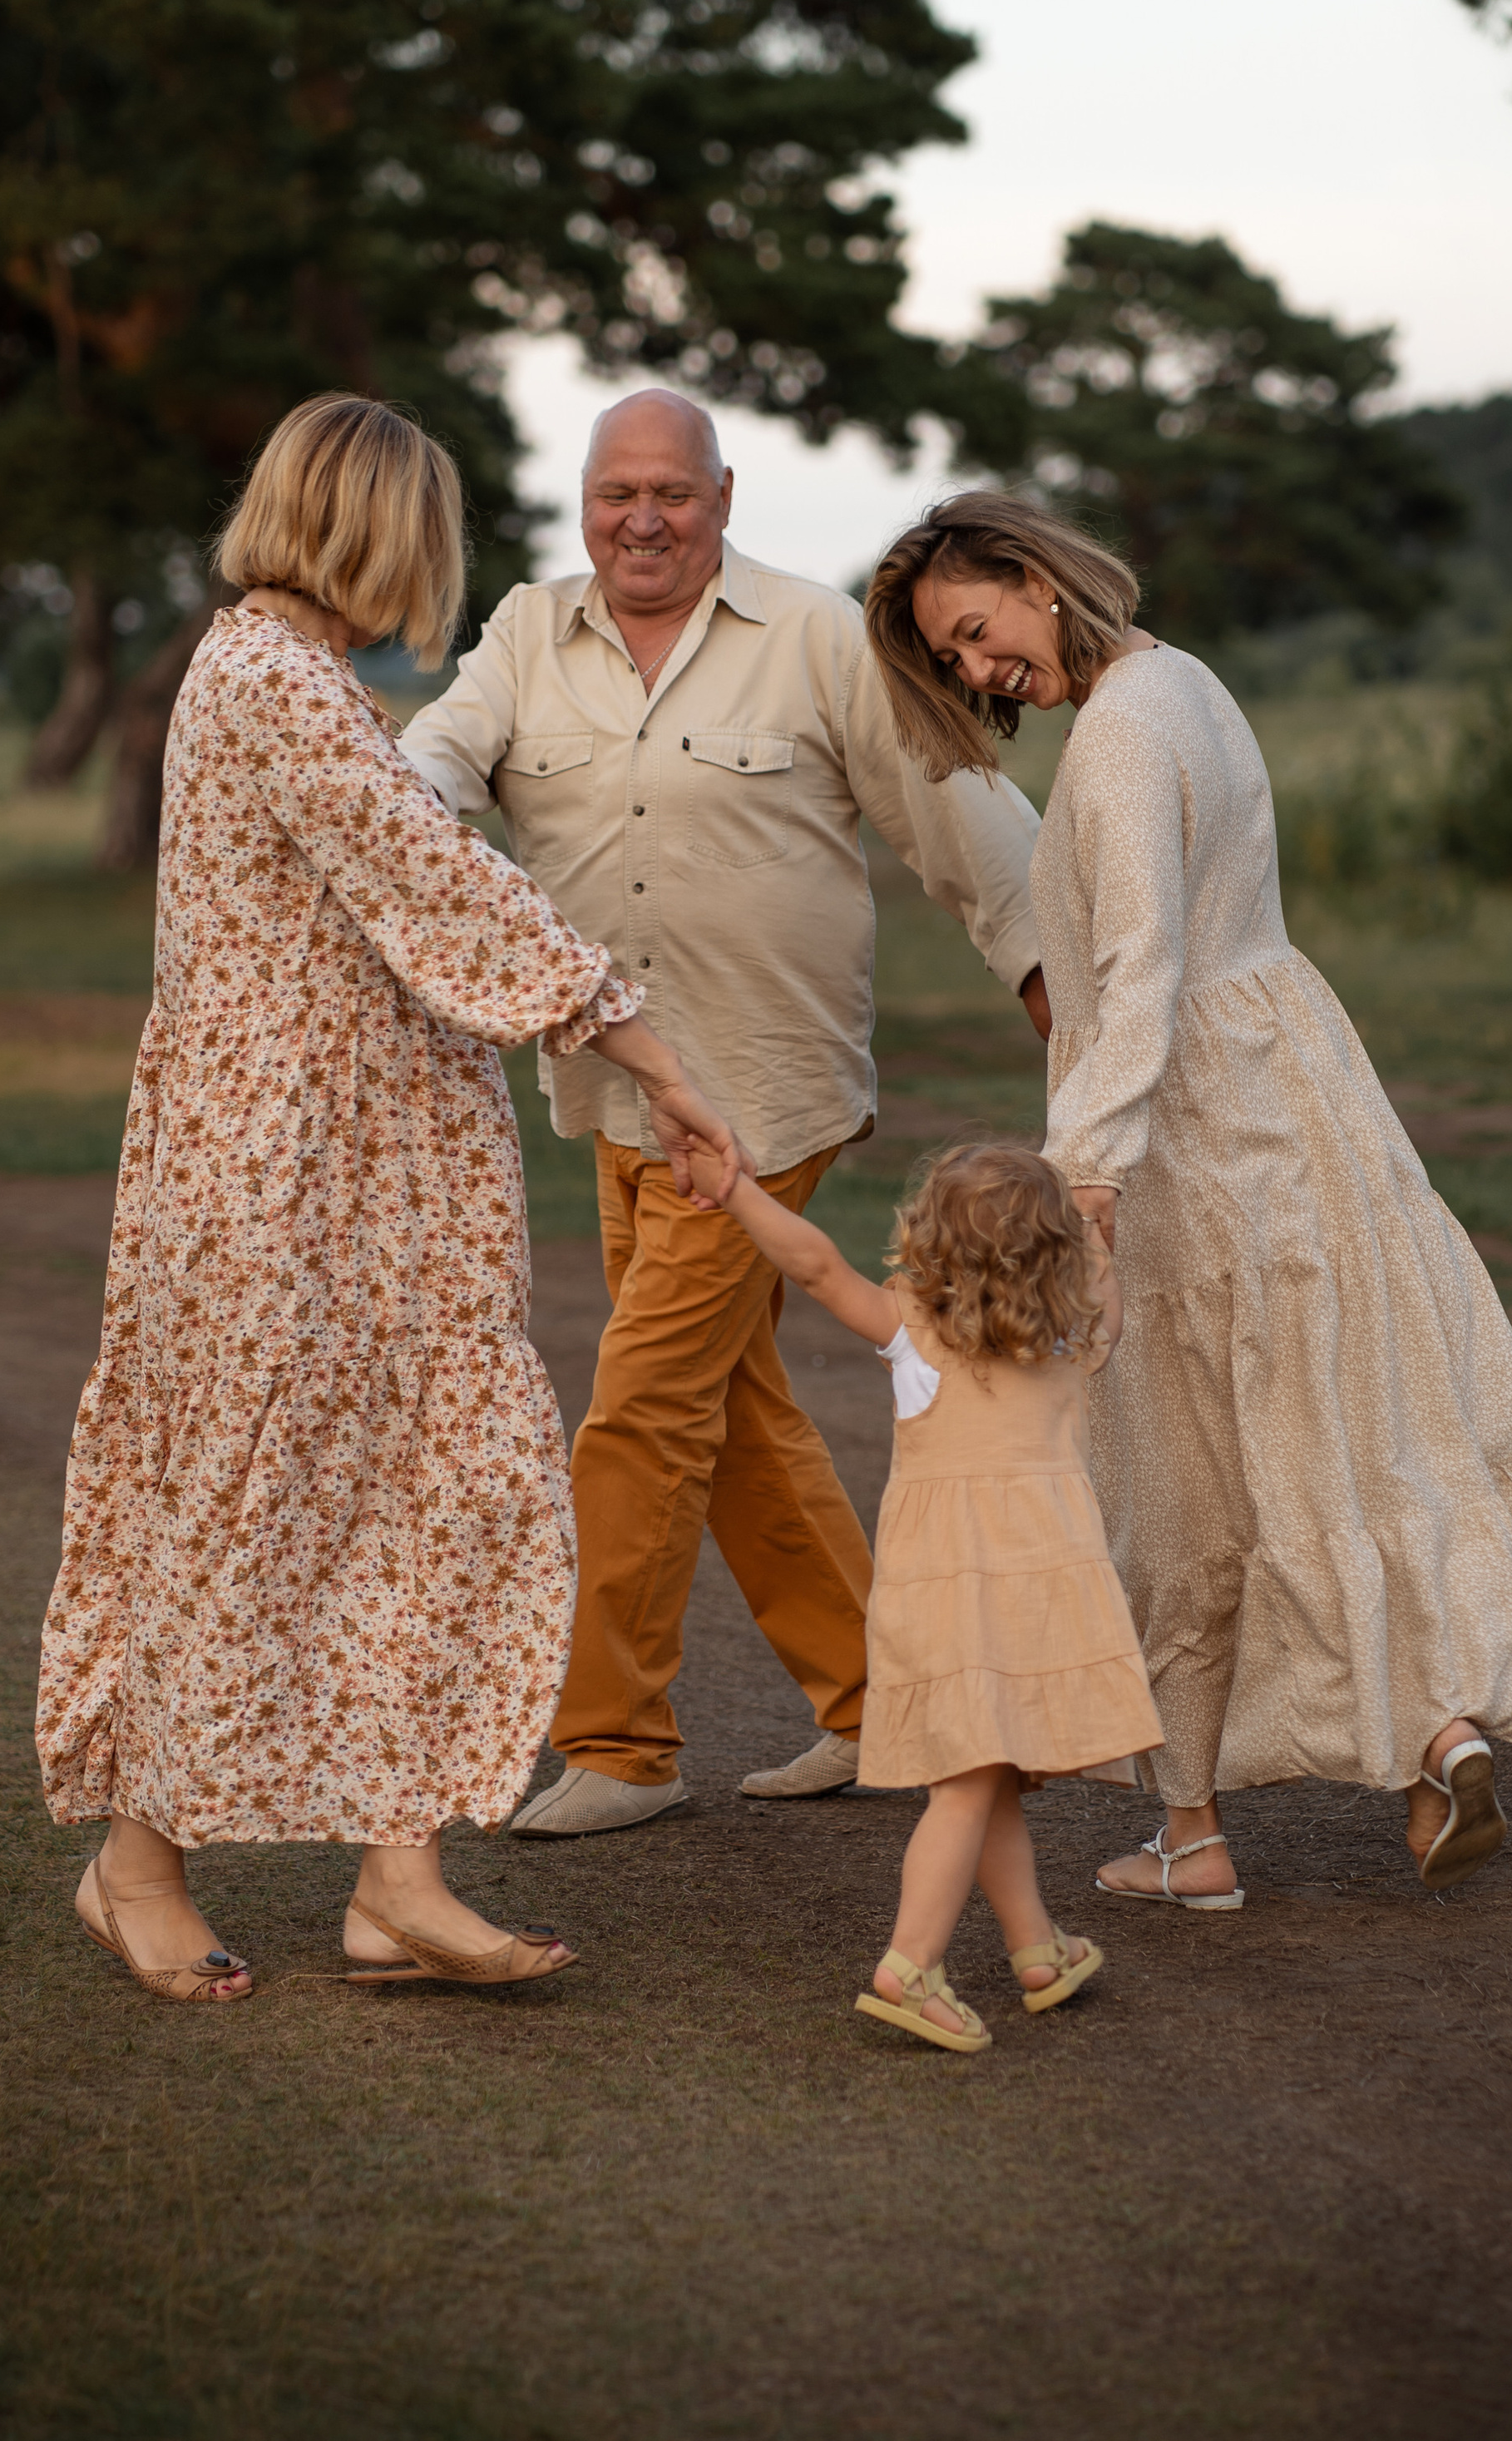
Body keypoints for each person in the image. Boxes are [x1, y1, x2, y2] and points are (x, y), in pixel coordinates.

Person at [33, 394, 742, 2001]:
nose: (439, 563)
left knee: (446, 1486)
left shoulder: (311, 679)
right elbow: (448, 888)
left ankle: (399, 1874)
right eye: (428, 533)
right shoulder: (269, 683)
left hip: (379, 1183)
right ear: (374, 529)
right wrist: (656, 1058)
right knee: (242, 1495)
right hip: (273, 1179)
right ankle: (135, 1861)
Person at [865, 491, 1512, 1907]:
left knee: (1180, 1472)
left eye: (976, 633)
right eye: (953, 661)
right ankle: (1436, 1739)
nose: (980, 675)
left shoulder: (1109, 745)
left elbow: (1143, 974)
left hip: (1188, 1138)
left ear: (1038, 580)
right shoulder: (1186, 681)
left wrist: (1087, 1187)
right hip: (1296, 1087)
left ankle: (1197, 1836)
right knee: (1335, 1436)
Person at [397, 392, 1049, 1835]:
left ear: (723, 494)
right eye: (616, 491)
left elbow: (961, 819)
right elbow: (436, 763)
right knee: (738, 1411)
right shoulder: (525, 634)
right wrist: (394, 820)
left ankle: (620, 1745)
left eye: (673, 494)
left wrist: (1067, 987)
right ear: (584, 499)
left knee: (639, 1411)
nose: (643, 518)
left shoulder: (816, 636)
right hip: (616, 1092)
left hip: (763, 1098)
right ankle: (890, 1712)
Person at [688, 1134, 1162, 2048]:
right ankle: (909, 1966)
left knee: (980, 1779)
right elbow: (1104, 1297)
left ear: (929, 1240)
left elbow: (814, 1263)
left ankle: (1036, 1950)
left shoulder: (910, 1327)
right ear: (1056, 1251)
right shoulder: (1068, 1341)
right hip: (1037, 1600)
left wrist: (736, 1189)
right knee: (970, 1782)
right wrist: (1098, 1235)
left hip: (940, 1597)